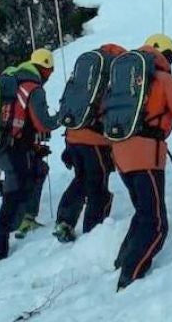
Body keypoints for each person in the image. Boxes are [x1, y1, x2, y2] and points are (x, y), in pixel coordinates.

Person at [113, 34, 172, 291]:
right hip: (146, 156)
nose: (171, 62)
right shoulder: (163, 79)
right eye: (171, 57)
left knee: (143, 213)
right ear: (164, 54)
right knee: (156, 224)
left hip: (121, 154)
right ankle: (130, 277)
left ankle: (122, 259)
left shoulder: (126, 79)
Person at [0, 48, 60, 264]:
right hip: (16, 148)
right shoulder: (32, 87)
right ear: (46, 69)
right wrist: (62, 118)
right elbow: (42, 122)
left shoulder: (12, 81)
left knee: (27, 181)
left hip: (2, 145)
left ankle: (19, 225)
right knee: (13, 196)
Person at [54, 42, 127, 243]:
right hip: (95, 140)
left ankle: (64, 221)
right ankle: (93, 232)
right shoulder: (113, 73)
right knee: (98, 184)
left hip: (72, 136)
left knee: (81, 179)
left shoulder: (87, 70)